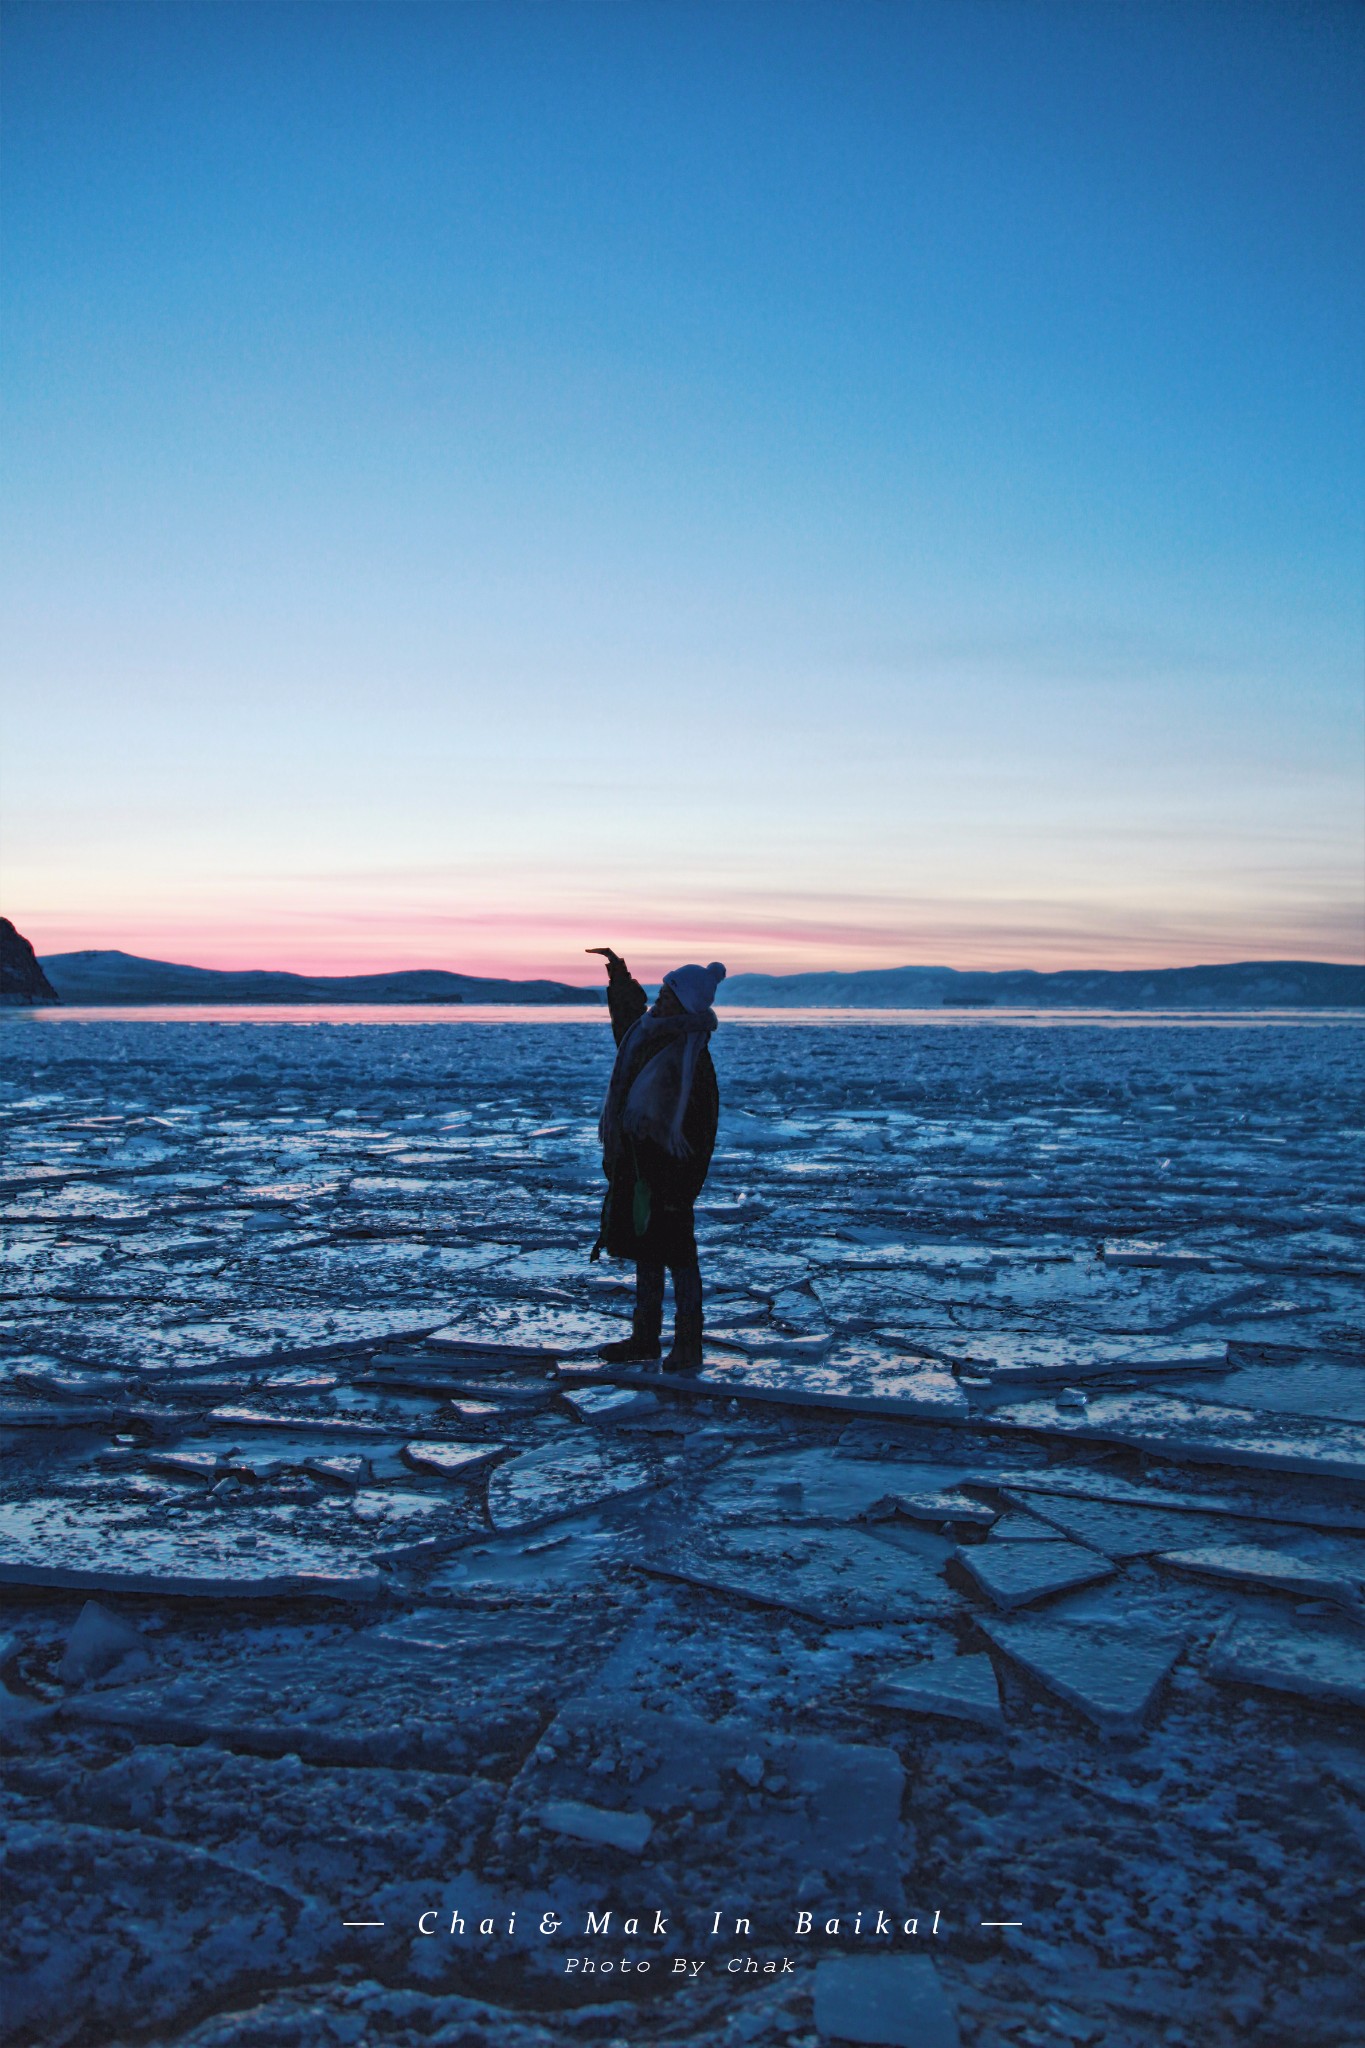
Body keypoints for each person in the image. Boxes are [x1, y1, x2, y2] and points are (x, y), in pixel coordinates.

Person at [587, 948, 726, 1370]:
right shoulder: (646, 1035)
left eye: (668, 994)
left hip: (671, 1174)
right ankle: (644, 1338)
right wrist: (619, 974)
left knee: (680, 1257)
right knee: (646, 1254)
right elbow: (626, 1018)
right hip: (638, 1165)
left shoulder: (691, 1059)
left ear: (684, 1003)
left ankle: (688, 1344)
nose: (660, 998)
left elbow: (701, 1129)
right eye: (662, 990)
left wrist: (683, 1186)